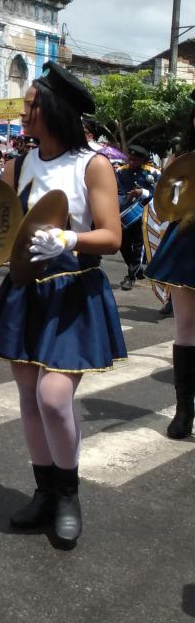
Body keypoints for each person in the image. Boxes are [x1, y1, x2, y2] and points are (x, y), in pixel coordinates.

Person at [0, 62, 125, 548]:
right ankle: (44, 491)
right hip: (27, 288)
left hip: (73, 290)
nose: (23, 113)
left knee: (53, 397)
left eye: (31, 105)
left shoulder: (94, 164)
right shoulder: (18, 163)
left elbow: (112, 236)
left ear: (55, 110)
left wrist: (70, 238)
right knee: (27, 397)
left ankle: (68, 493)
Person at [144, 99, 195, 440]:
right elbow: (166, 202)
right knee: (186, 328)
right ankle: (184, 411)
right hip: (187, 241)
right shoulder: (180, 159)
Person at [116, 144, 159, 291]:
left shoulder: (153, 173)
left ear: (143, 161)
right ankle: (136, 269)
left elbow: (159, 194)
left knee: (139, 246)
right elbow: (116, 191)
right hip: (125, 213)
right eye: (129, 158)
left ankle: (131, 276)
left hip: (144, 213)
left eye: (135, 160)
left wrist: (143, 192)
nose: (131, 162)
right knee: (122, 244)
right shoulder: (120, 172)